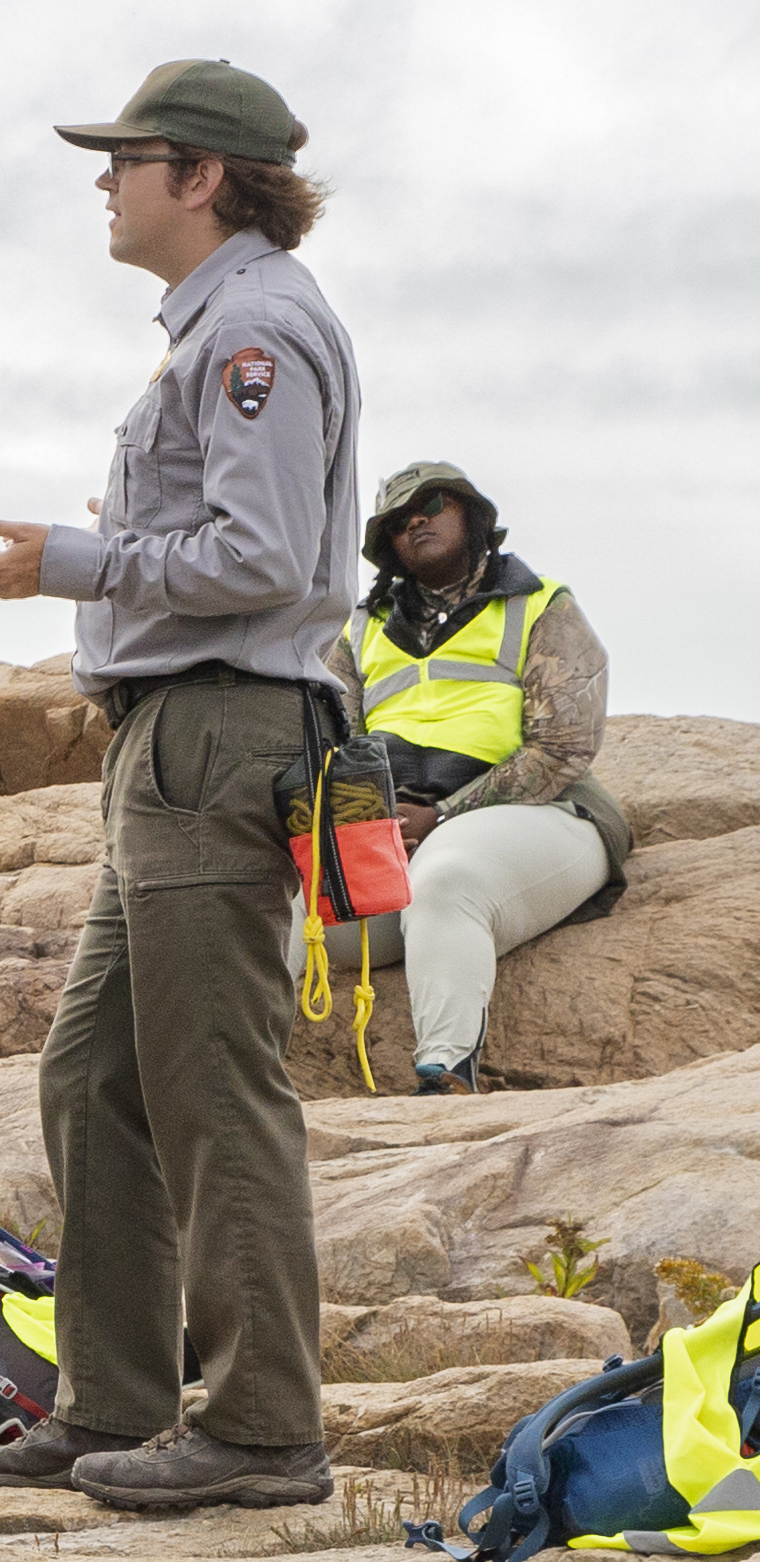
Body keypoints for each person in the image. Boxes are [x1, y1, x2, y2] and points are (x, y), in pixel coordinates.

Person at [0, 59, 357, 1513]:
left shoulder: (252, 332)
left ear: (201, 176)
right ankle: (110, 1397)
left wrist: (73, 561)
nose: (101, 180)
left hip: (219, 734)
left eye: (126, 157)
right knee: (94, 1073)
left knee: (208, 1087)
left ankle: (259, 1430)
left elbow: (261, 557)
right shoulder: (221, 329)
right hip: (177, 737)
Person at [331, 463, 631, 1091]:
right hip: (395, 833)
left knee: (446, 881)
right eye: (397, 520)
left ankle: (448, 1074)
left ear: (471, 514)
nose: (416, 520)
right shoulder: (358, 629)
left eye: (432, 503)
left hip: (542, 816)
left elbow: (563, 749)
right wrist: (371, 821)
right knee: (271, 911)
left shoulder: (542, 605)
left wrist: (439, 817)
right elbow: (331, 744)